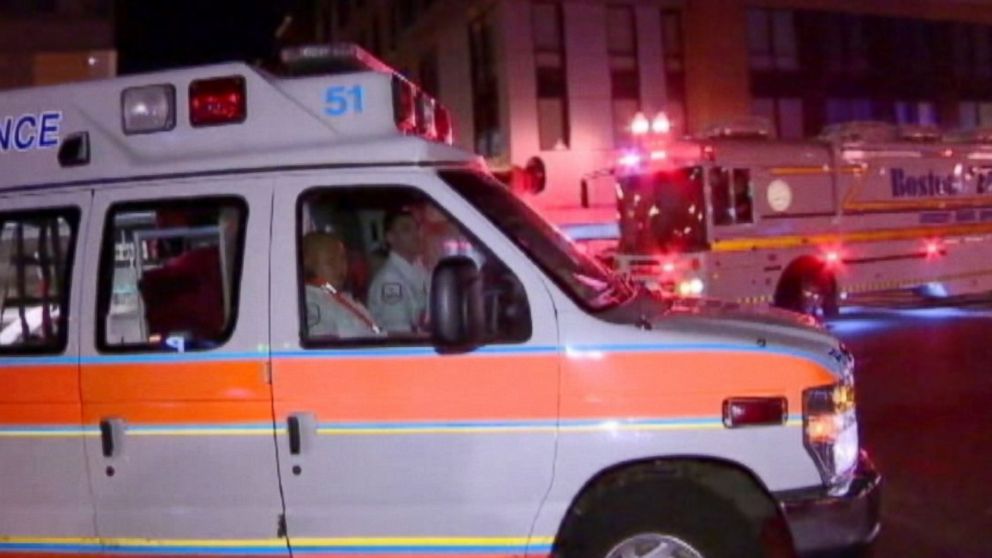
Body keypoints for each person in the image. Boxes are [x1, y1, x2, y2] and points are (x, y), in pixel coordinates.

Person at [302, 231, 382, 339]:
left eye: (343, 259)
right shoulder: (310, 302)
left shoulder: (344, 298)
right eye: (331, 261)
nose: (340, 267)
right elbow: (325, 349)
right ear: (309, 264)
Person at [367, 208, 429, 334]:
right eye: (406, 229)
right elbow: (398, 334)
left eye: (416, 228)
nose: (416, 234)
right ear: (391, 238)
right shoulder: (389, 281)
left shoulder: (420, 269)